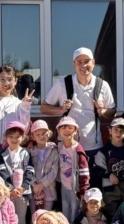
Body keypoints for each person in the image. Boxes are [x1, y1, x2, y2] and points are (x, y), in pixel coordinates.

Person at [41, 47, 116, 183]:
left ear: (93, 63)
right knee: (69, 186)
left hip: (93, 146)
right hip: (68, 146)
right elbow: (44, 108)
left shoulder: (102, 85)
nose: (83, 65)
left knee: (93, 186)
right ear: (73, 64)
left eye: (86, 61)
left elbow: (112, 112)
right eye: (79, 62)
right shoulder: (62, 84)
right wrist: (61, 109)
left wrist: (102, 111)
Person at [0, 121, 34, 224]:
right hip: (9, 193)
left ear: (23, 138)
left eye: (18, 136)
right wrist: (11, 189)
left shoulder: (26, 153)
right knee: (8, 220)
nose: (14, 139)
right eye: (11, 136)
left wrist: (23, 187)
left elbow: (30, 171)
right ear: (6, 137)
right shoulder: (2, 155)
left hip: (22, 193)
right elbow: (2, 173)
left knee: (21, 221)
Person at [95, 118, 124, 221]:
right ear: (110, 131)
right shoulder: (103, 151)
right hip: (109, 187)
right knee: (111, 212)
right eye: (116, 130)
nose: (118, 133)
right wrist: (109, 175)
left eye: (122, 131)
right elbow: (98, 168)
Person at [56, 116, 90, 223]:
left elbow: (84, 172)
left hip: (75, 188)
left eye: (70, 128)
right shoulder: (59, 146)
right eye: (63, 127)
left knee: (75, 213)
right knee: (65, 211)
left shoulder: (78, 149)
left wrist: (83, 191)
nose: (67, 130)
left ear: (75, 131)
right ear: (58, 131)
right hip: (64, 186)